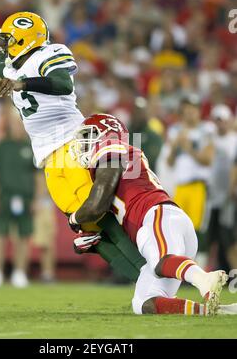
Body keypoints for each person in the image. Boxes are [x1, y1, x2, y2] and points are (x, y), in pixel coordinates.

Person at [0, 12, 145, 282]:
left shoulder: (50, 53)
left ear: (25, 39)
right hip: (47, 156)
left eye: (9, 39)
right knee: (84, 225)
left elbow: (63, 85)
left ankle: (151, 271)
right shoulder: (13, 65)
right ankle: (142, 278)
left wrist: (21, 83)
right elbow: (5, 71)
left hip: (68, 142)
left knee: (99, 212)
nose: (6, 44)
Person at [68, 113, 237, 316]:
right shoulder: (118, 160)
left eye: (89, 136)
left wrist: (75, 218)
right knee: (143, 302)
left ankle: (203, 279)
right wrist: (93, 242)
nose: (83, 144)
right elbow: (113, 216)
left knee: (159, 261)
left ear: (107, 136)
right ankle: (220, 312)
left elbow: (97, 204)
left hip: (158, 216)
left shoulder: (115, 152)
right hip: (161, 227)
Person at [0, 112, 36, 288]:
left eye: (21, 124)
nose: (18, 127)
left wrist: (37, 199)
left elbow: (37, 176)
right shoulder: (2, 147)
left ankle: (20, 273)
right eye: (15, 124)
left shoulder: (31, 146)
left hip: (25, 197)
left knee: (23, 237)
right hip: (4, 196)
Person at [166, 96, 215, 256]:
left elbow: (207, 160)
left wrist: (188, 147)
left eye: (193, 110)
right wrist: (175, 146)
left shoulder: (206, 130)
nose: (190, 114)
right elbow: (169, 162)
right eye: (187, 111)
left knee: (197, 228)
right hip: (180, 186)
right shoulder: (175, 131)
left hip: (198, 186)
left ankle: (198, 268)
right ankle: (181, 266)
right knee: (178, 228)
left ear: (199, 112)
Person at [207, 105, 237, 271]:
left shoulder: (234, 139)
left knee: (229, 238)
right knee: (213, 238)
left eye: (223, 120)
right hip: (212, 197)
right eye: (218, 120)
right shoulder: (210, 139)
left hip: (229, 197)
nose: (221, 124)